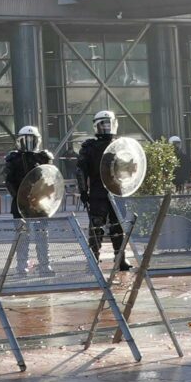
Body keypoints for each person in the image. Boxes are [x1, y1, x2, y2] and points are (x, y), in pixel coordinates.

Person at [74, 111, 129, 272]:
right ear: (96, 126)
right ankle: (93, 261)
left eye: (108, 123)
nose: (106, 127)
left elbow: (128, 168)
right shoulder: (89, 146)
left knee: (118, 227)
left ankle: (120, 260)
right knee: (96, 228)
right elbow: (81, 170)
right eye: (102, 124)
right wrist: (83, 191)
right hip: (98, 192)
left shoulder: (120, 145)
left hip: (117, 190)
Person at [2, 124, 55, 275]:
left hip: (40, 203)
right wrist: (19, 198)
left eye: (32, 139)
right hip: (21, 203)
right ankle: (21, 266)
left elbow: (50, 179)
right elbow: (9, 181)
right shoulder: (14, 159)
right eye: (26, 140)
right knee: (22, 236)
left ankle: (45, 264)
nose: (29, 143)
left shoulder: (43, 157)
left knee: (42, 235)